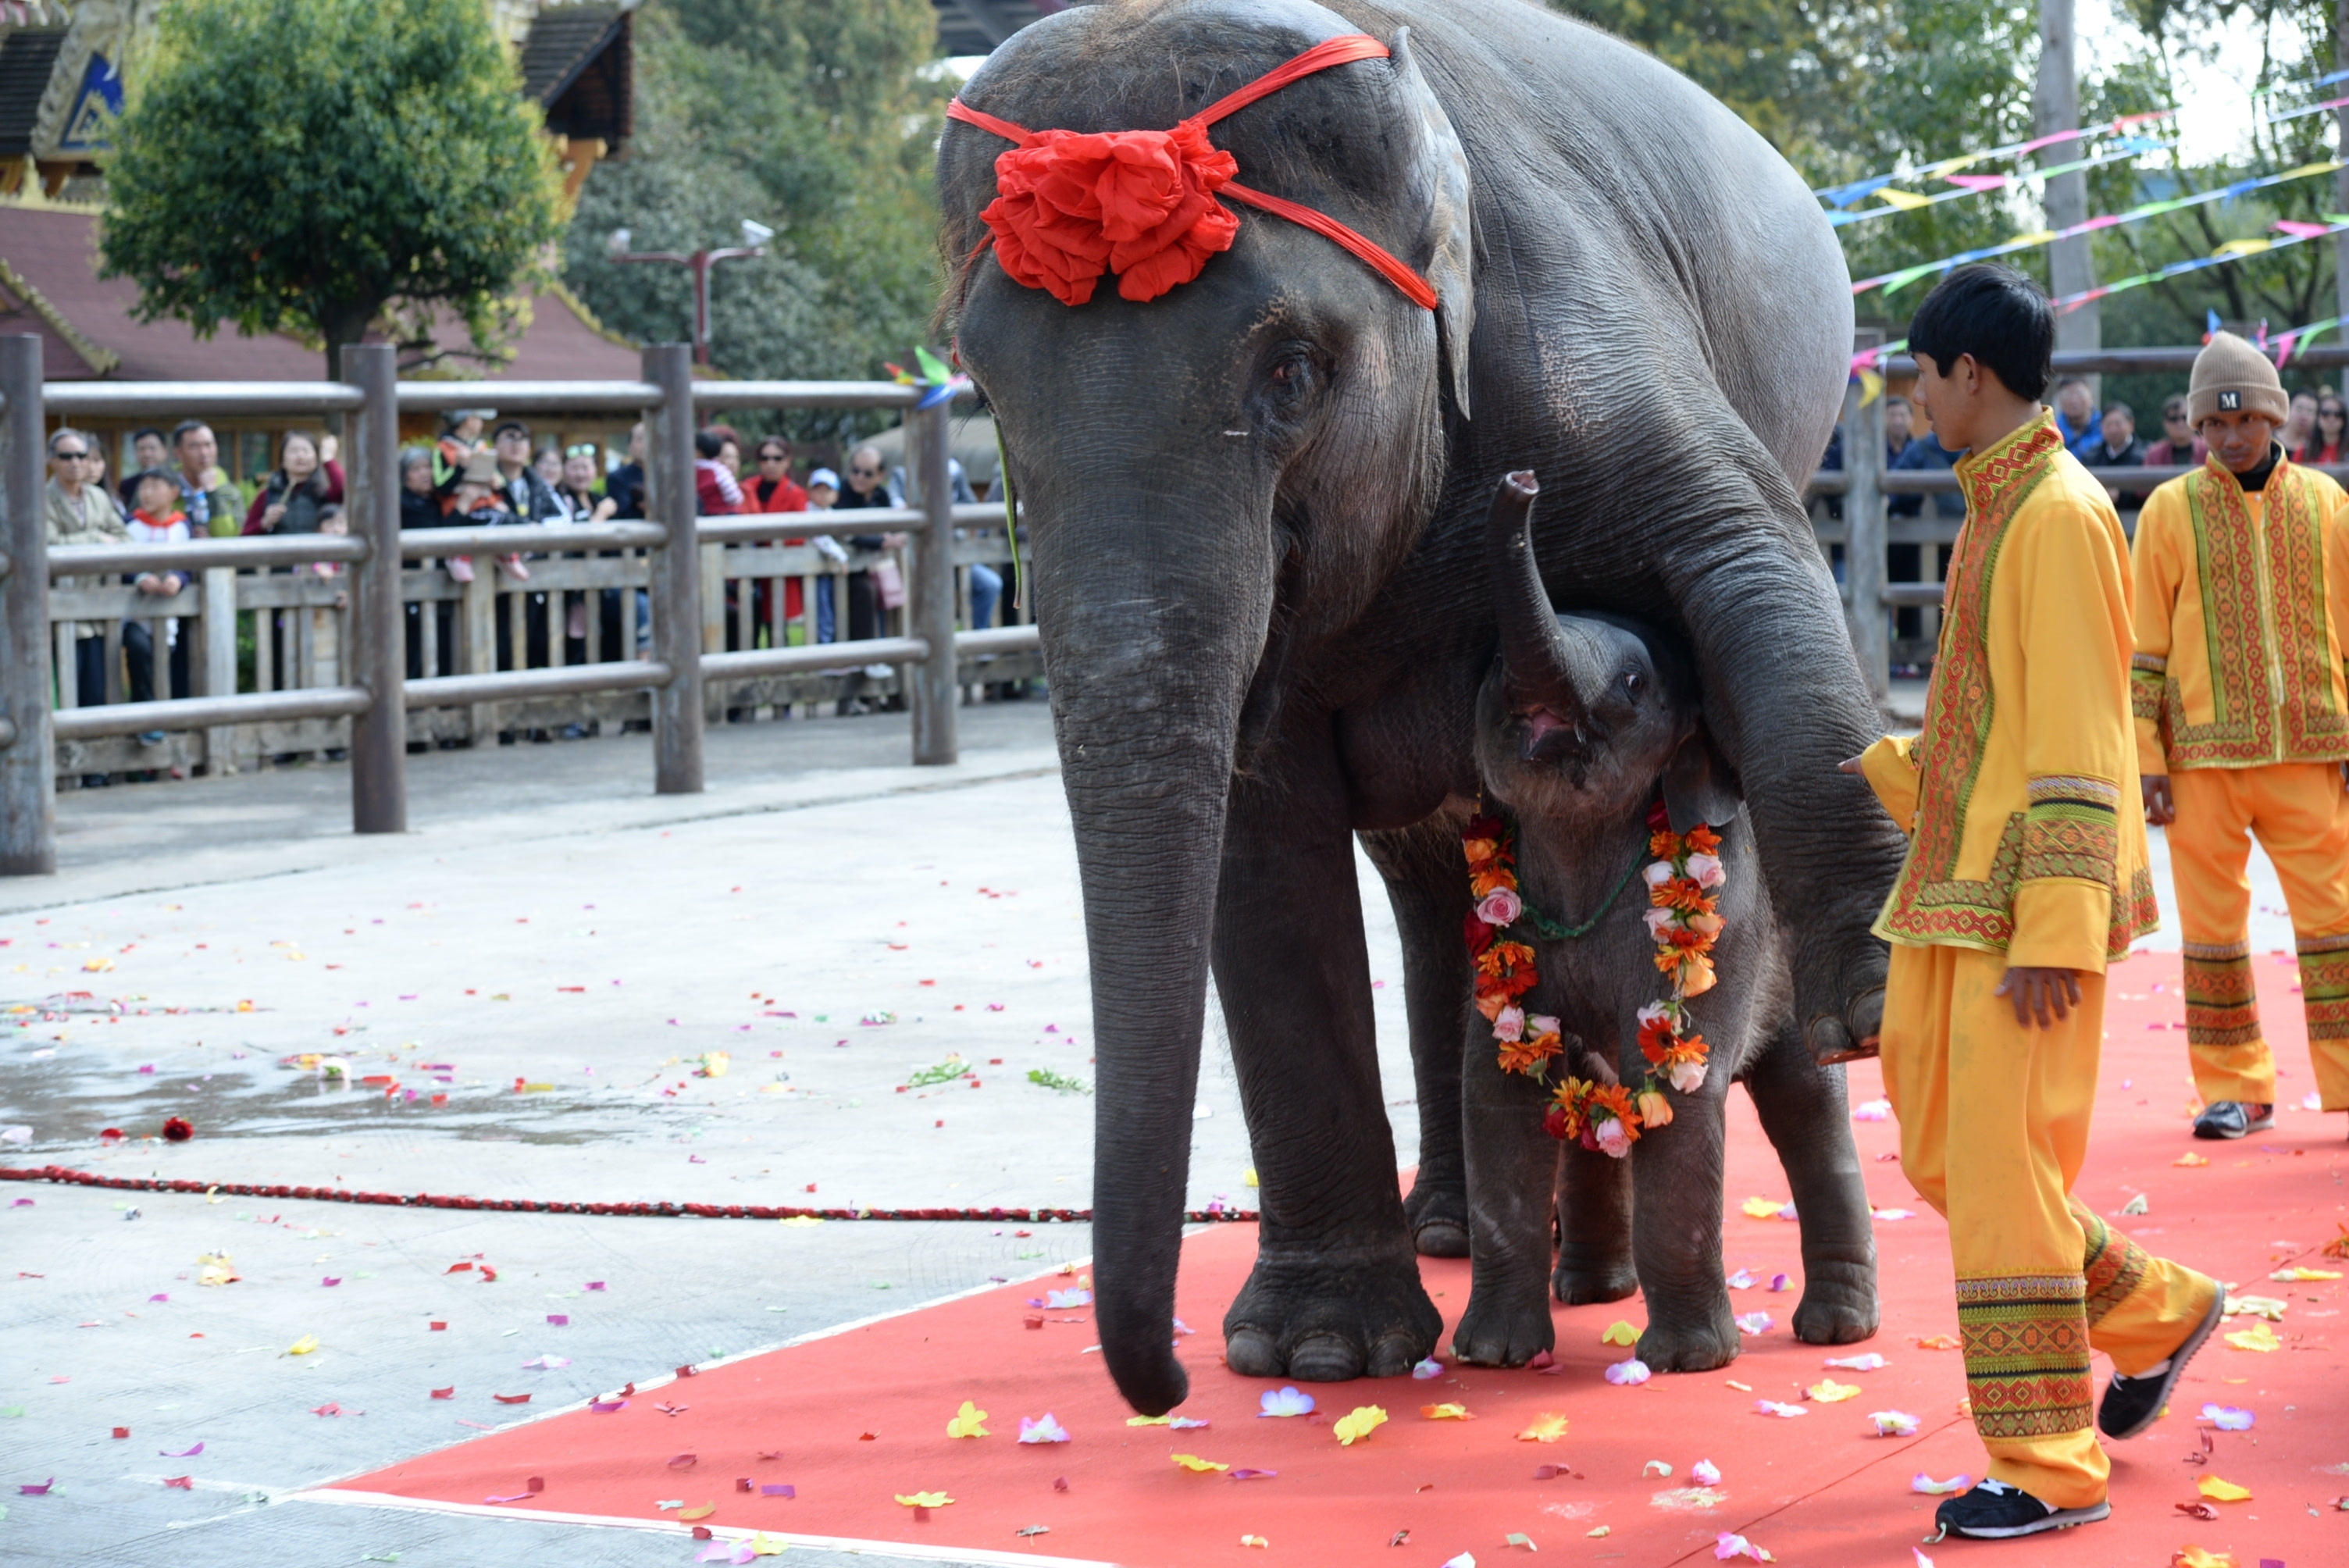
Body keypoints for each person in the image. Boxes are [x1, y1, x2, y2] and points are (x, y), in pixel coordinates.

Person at [1848, 263, 2219, 1541]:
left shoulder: (2053, 514)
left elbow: (2075, 732)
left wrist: (2056, 923)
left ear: (1969, 375)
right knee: (1946, 1147)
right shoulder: (1996, 507)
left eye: (1916, 375)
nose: (1909, 397)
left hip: (2020, 918)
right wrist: (1874, 761)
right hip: (1960, 897)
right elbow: (1991, 725)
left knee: (2001, 1177)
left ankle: (2049, 1461)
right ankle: (2156, 1310)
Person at [2131, 332, 2349, 1141]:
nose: (2229, 438)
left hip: (2310, 753)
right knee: (2214, 931)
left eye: (2245, 421)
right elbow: (2143, 650)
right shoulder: (2167, 511)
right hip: (2201, 763)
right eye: (2214, 425)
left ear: (2272, 417)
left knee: (2336, 922)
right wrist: (2146, 757)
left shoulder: (2327, 505)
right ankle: (2234, 1088)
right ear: (2196, 428)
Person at [45, 428, 131, 707]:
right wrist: (96, 539)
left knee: (98, 688)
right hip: (60, 606)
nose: (75, 463)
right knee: (64, 688)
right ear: (52, 460)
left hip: (99, 605)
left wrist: (99, 541)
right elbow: (48, 543)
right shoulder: (41, 497)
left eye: (81, 456)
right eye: (66, 456)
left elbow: (124, 537)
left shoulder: (98, 496)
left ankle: (94, 746)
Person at [123, 467, 194, 731]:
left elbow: (189, 564)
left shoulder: (182, 526)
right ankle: (146, 723)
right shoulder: (130, 524)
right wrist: (139, 577)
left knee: (171, 669)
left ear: (174, 492)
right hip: (134, 614)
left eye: (155, 487)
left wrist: (179, 578)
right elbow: (122, 563)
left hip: (170, 614)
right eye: (144, 487)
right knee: (139, 654)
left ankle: (171, 728)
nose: (147, 493)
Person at [242, 430, 344, 534]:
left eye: (306, 451)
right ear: (282, 461)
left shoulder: (323, 495)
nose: (300, 456)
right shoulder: (268, 495)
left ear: (316, 459)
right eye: (293, 451)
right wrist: (264, 522)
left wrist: (328, 459)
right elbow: (244, 536)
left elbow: (343, 490)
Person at [170, 421, 245, 540]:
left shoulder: (230, 492)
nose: (204, 453)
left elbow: (230, 538)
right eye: (194, 447)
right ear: (178, 453)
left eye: (208, 445)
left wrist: (212, 494)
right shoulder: (163, 487)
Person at [2083, 403, 2149, 506]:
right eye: (2108, 425)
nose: (2113, 430)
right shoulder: (2091, 456)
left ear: (2131, 424)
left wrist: (2122, 495)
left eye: (2118, 424)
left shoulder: (2146, 454)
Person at [433, 409, 492, 503]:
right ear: (469, 421)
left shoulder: (481, 446)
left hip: (486, 505)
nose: (482, 423)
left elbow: (499, 481)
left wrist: (497, 482)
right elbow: (441, 488)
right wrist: (460, 467)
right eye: (479, 419)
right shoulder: (442, 448)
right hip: (457, 508)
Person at [1882, 394, 1923, 518]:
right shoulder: (1873, 452)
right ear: (1883, 419)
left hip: (1915, 517)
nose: (1897, 421)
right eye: (1892, 415)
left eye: (1902, 415)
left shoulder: (1921, 449)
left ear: (1912, 419)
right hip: (1881, 516)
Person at [2143, 394, 2206, 469]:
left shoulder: (2209, 450)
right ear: (2165, 423)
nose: (2180, 423)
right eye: (2174, 419)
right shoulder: (2155, 455)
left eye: (2185, 417)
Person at [694, 429, 744, 516]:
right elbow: (734, 496)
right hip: (723, 514)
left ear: (698, 451)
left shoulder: (691, 469)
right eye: (728, 457)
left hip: (703, 514)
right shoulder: (719, 470)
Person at [117, 427, 168, 509]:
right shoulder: (127, 485)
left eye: (152, 448)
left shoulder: (177, 481)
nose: (147, 454)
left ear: (165, 450)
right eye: (142, 449)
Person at [2052, 374, 2100, 454]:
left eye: (2079, 394)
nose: (2073, 400)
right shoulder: (2053, 430)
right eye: (2067, 395)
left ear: (2091, 396)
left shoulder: (2105, 427)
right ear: (2060, 400)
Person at [2297, 390, 2347, 465]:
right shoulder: (2304, 451)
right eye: (2325, 413)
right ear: (2317, 416)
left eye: (2338, 414)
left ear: (2344, 419)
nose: (2331, 419)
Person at [2283, 387, 2319, 459]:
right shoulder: (2270, 441)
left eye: (2310, 411)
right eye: (2299, 408)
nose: (2304, 416)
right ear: (2288, 407)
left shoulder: (2317, 446)